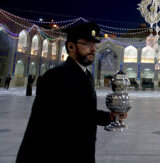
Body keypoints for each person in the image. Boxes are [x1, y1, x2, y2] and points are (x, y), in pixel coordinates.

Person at [17, 22, 127, 163]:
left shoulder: (86, 75)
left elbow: (82, 112)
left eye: (94, 45)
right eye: (87, 44)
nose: (93, 49)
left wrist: (110, 117)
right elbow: (39, 127)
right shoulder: (56, 76)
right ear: (71, 46)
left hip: (82, 151)